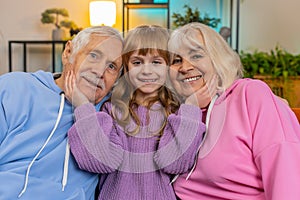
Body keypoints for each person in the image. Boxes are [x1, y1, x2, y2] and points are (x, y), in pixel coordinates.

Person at [65, 25, 209, 200]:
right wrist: (82, 106)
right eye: (137, 62)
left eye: (156, 62)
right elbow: (98, 160)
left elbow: (175, 164)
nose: (146, 71)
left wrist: (192, 107)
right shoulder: (112, 110)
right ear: (126, 67)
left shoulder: (178, 113)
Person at [167, 22, 300, 200]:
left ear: (218, 60)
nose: (184, 67)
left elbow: (284, 167)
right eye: (176, 60)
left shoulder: (249, 94)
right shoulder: (174, 113)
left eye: (196, 55)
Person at [0, 26, 123, 199]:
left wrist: (82, 108)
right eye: (93, 55)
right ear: (68, 52)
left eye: (111, 66)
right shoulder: (13, 88)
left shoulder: (114, 111)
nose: (99, 72)